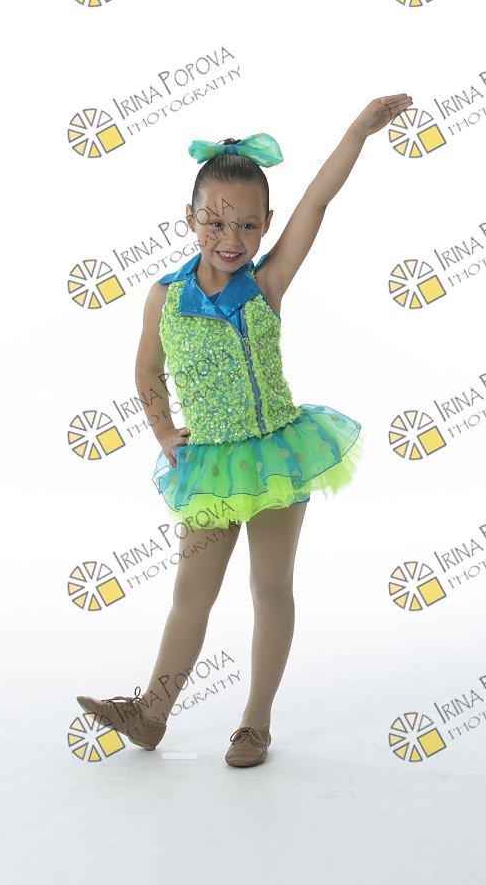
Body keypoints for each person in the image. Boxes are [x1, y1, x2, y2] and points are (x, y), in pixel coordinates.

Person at [77, 93, 413, 767]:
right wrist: (164, 432)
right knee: (190, 594)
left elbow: (317, 202)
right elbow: (146, 368)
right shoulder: (165, 297)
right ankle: (151, 713)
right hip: (208, 464)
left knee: (269, 588)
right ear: (190, 218)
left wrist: (356, 132)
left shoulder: (267, 284)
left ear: (265, 227)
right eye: (215, 222)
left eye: (248, 226)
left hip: (276, 455)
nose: (230, 239)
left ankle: (255, 723)